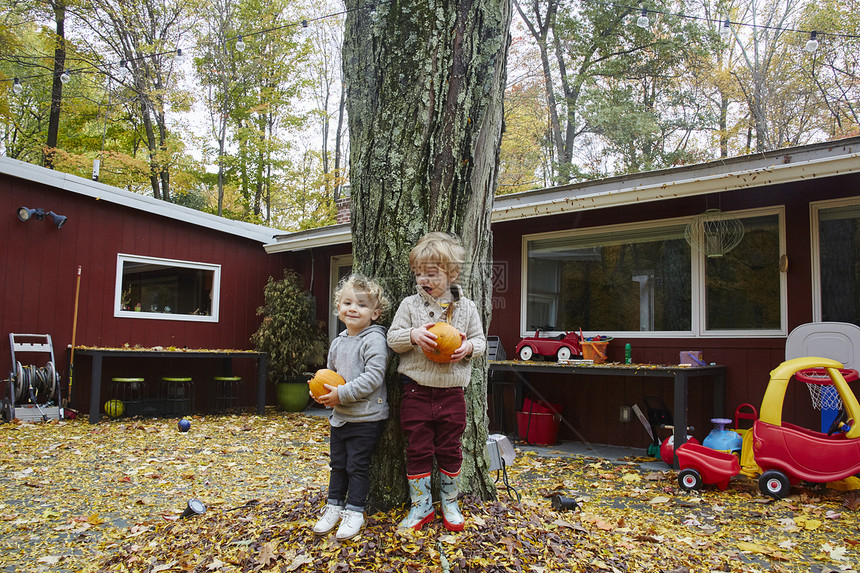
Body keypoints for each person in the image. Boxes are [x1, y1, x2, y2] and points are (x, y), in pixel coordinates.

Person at [387, 232, 486, 531]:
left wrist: (468, 348)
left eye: (431, 274)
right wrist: (413, 336)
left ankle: (450, 502)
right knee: (417, 448)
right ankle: (421, 506)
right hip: (416, 390)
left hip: (452, 392)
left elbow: (480, 340)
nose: (423, 280)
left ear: (452, 273)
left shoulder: (466, 307)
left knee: (450, 447)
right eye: (419, 274)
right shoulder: (409, 306)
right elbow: (393, 338)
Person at [311, 273, 390, 540]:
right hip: (340, 417)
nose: (353, 309)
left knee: (357, 465)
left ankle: (354, 511)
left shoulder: (375, 339)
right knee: (338, 464)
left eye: (362, 305)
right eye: (347, 303)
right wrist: (323, 394)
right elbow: (329, 374)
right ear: (339, 309)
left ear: (375, 313)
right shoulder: (338, 342)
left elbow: (373, 377)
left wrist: (341, 394)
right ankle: (334, 506)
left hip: (367, 417)